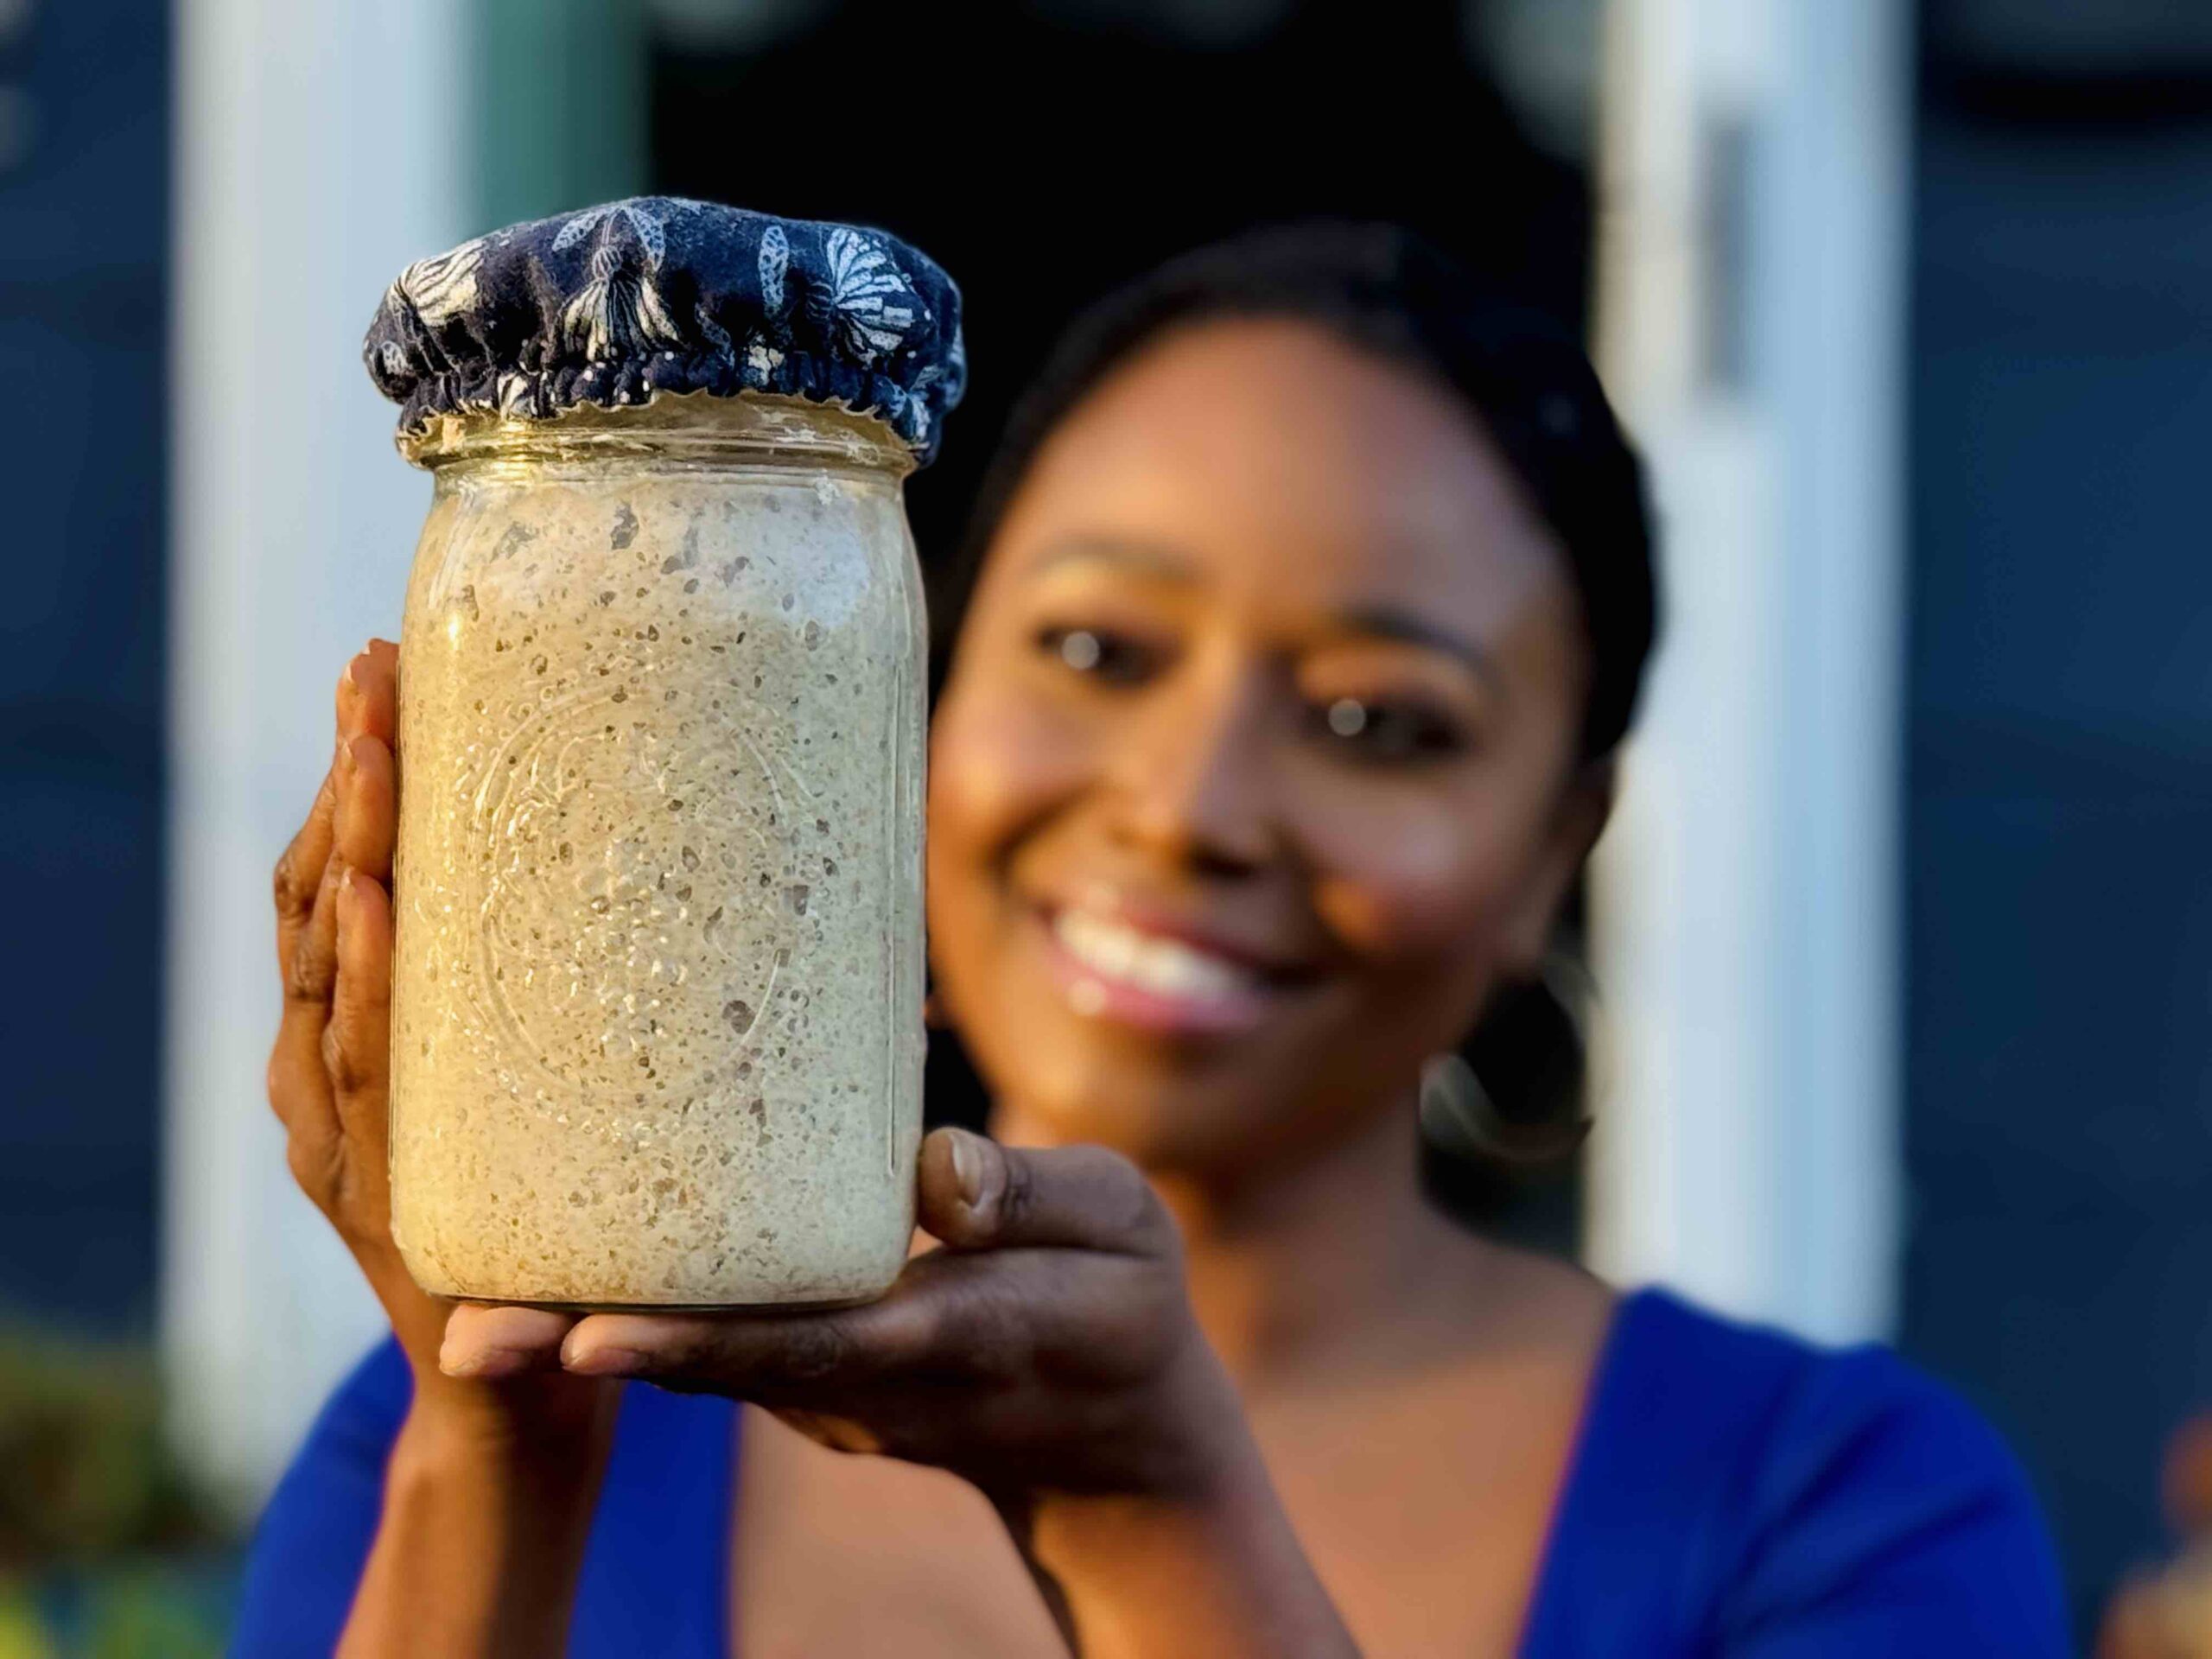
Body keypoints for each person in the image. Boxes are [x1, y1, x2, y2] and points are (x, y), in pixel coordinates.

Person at [237, 225, 2068, 1656]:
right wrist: (492, 1446)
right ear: (903, 702)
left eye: (1373, 722)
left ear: (1549, 854)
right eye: (1098, 652)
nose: (1186, 802)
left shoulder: (1833, 1514)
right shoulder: (436, 1442)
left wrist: (1146, 1503)